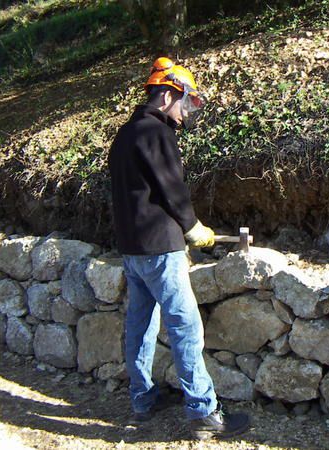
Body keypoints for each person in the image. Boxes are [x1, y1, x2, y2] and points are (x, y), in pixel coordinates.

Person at [108, 57, 250, 440]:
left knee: (140, 324)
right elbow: (172, 188)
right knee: (186, 326)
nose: (187, 111)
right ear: (167, 94)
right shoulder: (157, 133)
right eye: (186, 101)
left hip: (131, 249)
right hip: (159, 249)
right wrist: (193, 228)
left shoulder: (125, 133)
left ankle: (142, 399)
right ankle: (204, 412)